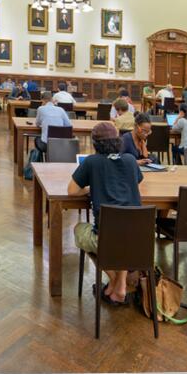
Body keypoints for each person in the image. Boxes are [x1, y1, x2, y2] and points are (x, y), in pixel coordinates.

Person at [67, 121, 143, 305]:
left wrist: (91, 188)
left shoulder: (92, 162)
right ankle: (120, 287)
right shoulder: (131, 160)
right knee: (124, 234)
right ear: (118, 141)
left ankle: (115, 280)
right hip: (136, 240)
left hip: (105, 238)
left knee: (79, 229)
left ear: (95, 143)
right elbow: (136, 181)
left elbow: (72, 191)